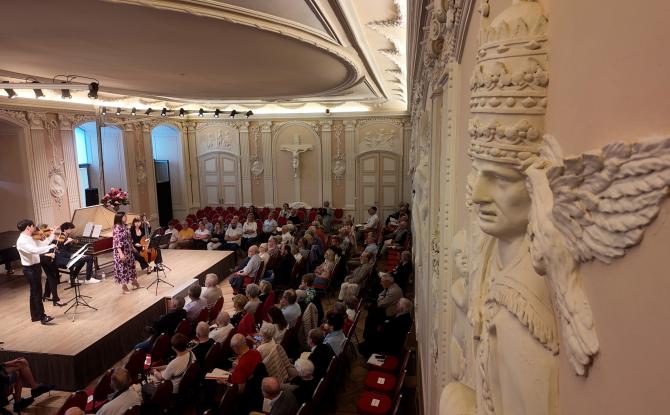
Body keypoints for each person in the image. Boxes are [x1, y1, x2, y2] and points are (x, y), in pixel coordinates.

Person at [15, 219, 56, 324]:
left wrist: (52, 236)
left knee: (34, 293)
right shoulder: (22, 241)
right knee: (37, 293)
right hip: (30, 269)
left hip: (36, 267)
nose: (34, 228)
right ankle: (42, 317)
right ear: (28, 227)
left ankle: (35, 316)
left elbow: (42, 245)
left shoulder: (30, 237)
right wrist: (51, 247)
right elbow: (35, 250)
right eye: (33, 226)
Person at [34, 224, 63, 308]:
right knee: (52, 278)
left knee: (51, 277)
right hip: (44, 258)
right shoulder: (36, 239)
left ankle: (47, 295)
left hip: (46, 258)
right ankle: (55, 299)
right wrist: (48, 253)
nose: (48, 232)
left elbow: (47, 241)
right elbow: (39, 249)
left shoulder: (42, 237)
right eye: (46, 230)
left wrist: (53, 232)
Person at [112, 212, 140, 294]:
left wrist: (132, 247)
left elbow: (129, 238)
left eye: (125, 216)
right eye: (124, 216)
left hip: (128, 250)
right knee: (122, 268)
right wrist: (120, 253)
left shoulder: (125, 226)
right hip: (121, 251)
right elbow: (116, 242)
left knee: (131, 265)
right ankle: (124, 287)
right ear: (119, 218)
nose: (125, 217)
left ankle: (134, 282)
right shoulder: (117, 228)